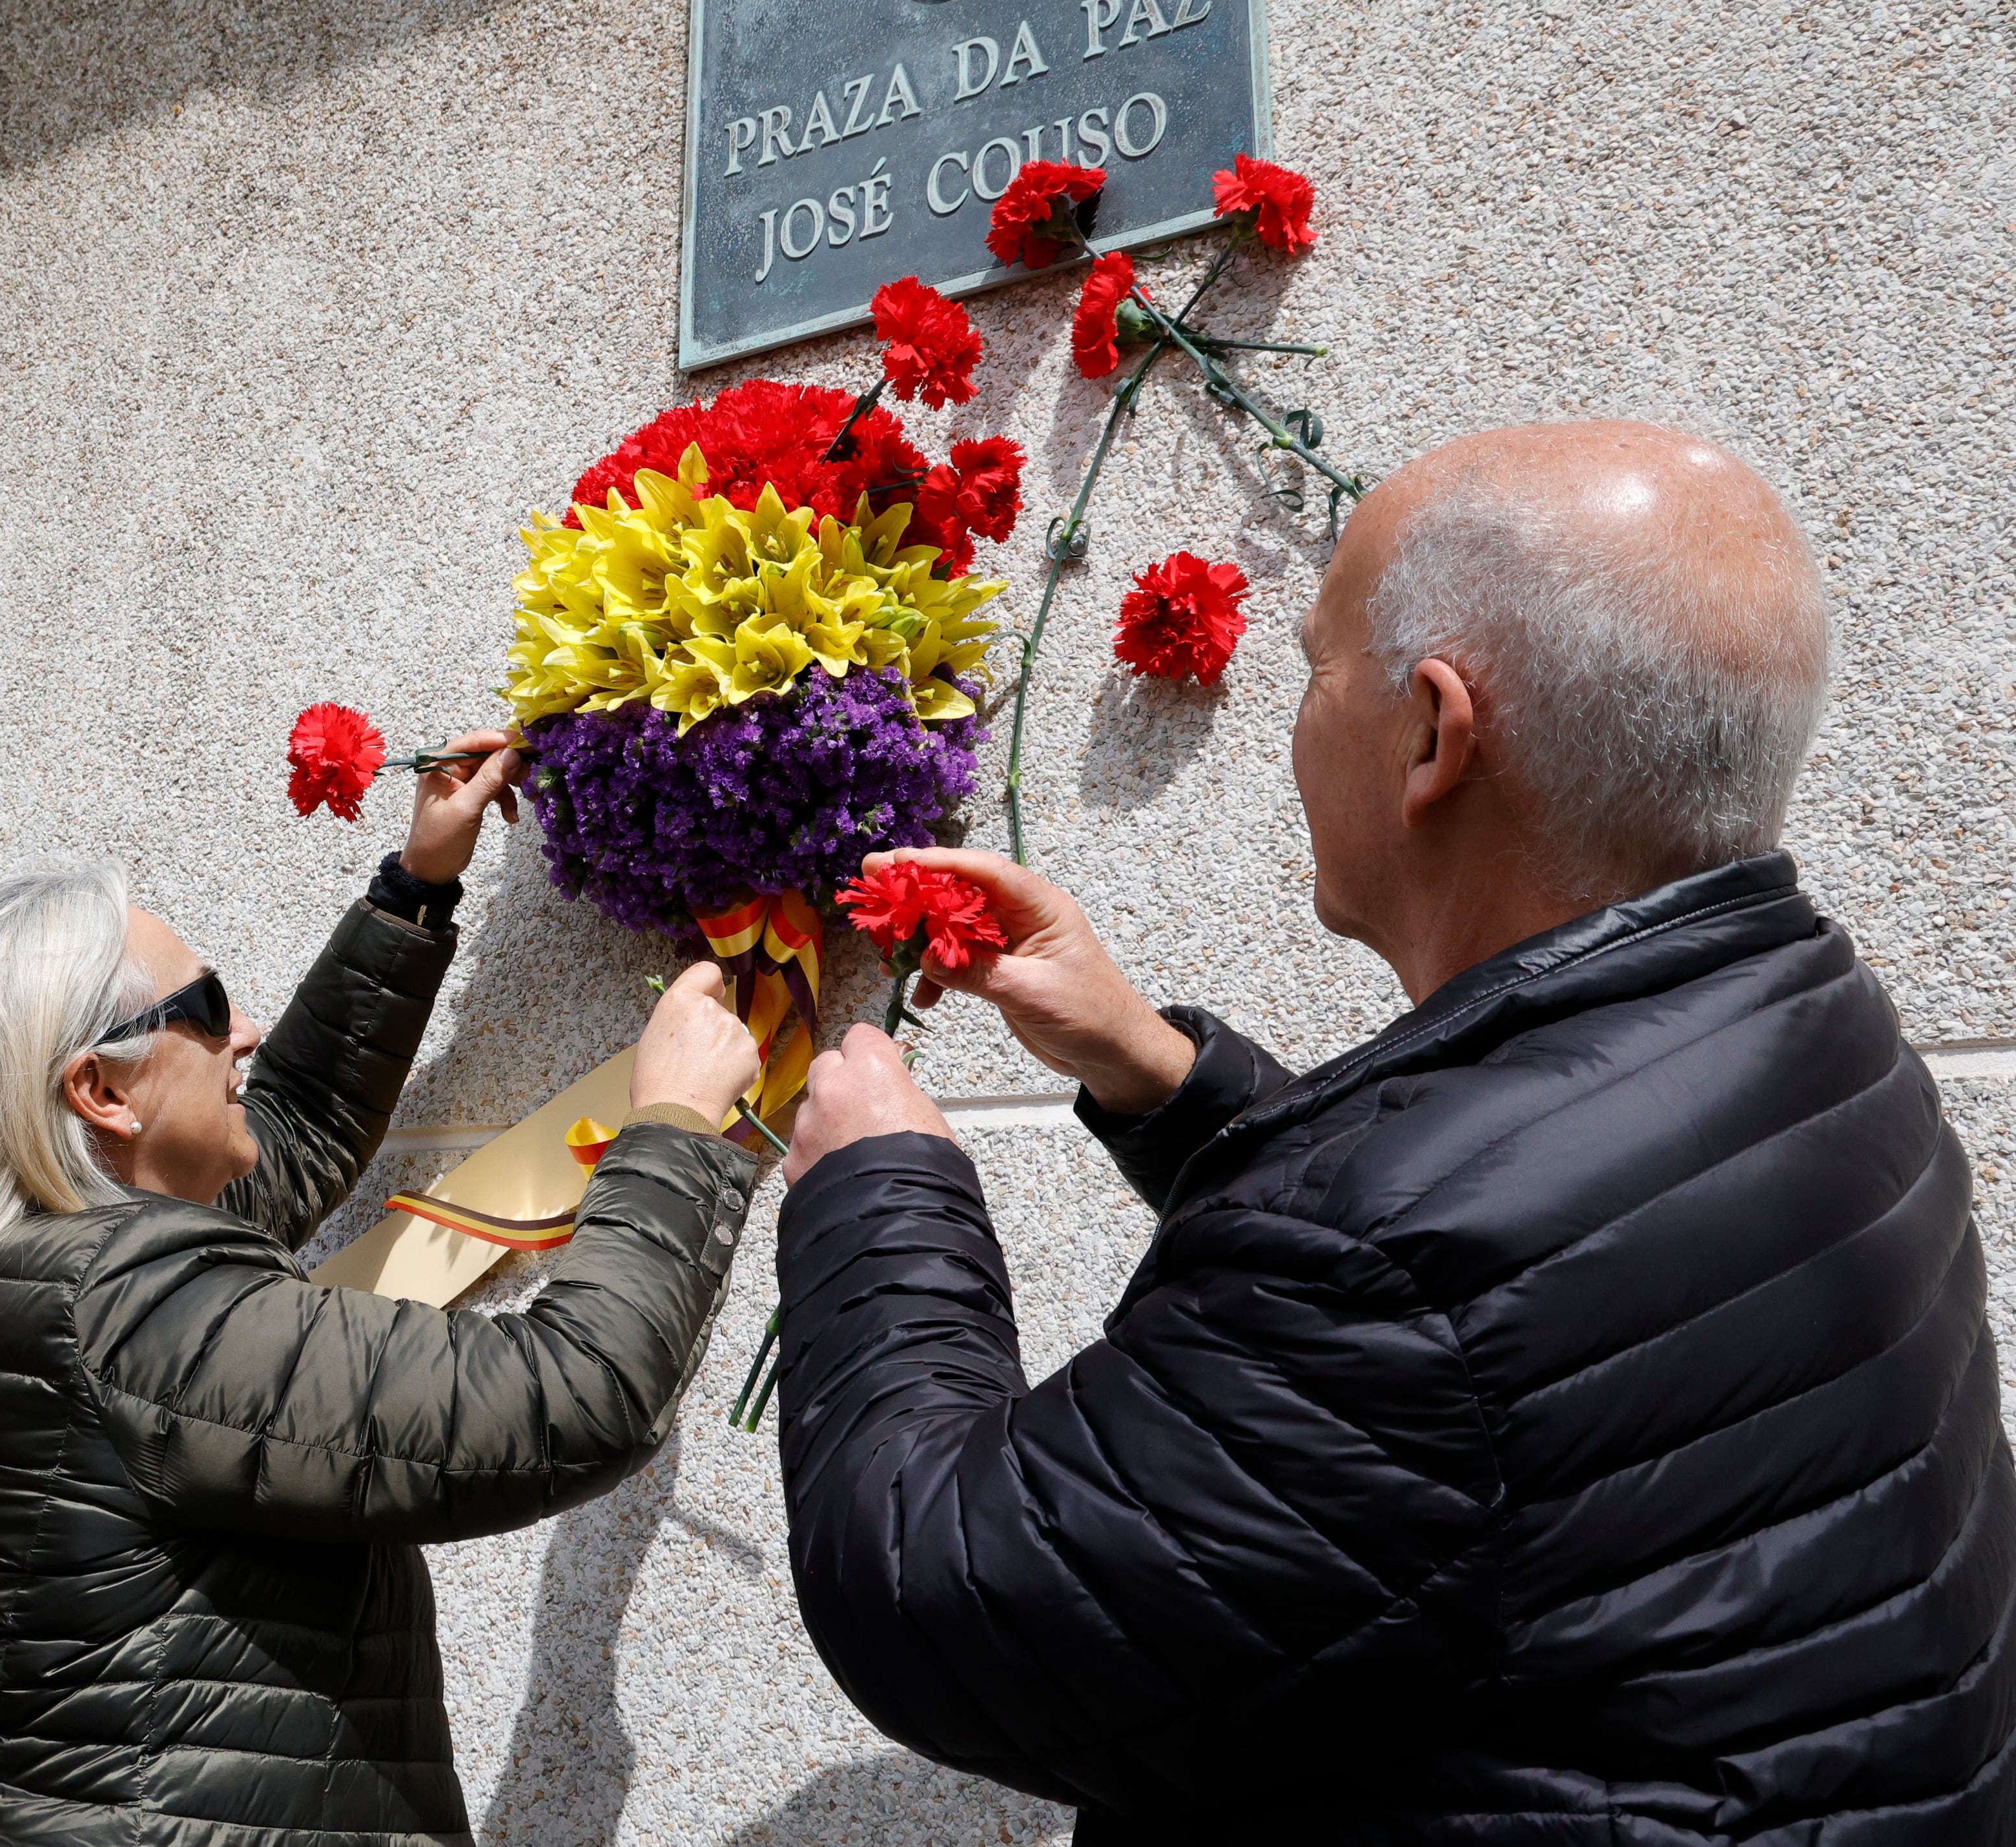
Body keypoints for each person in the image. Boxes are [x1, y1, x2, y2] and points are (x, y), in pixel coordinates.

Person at [772, 422, 2016, 1840]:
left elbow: (946, 1595)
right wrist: (1162, 1074)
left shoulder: (1398, 1268)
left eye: (1316, 666)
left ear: (1432, 732)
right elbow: (1520, 1300)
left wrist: (877, 1192)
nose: (1298, 718)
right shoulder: (1810, 1021)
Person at [0, 731, 766, 1847]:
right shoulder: (125, 1307)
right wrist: (674, 1124)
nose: (244, 1030)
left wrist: (416, 885)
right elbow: (575, 1395)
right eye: (206, 1005)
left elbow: (291, 1127)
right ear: (100, 1091)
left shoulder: (15, 1275)